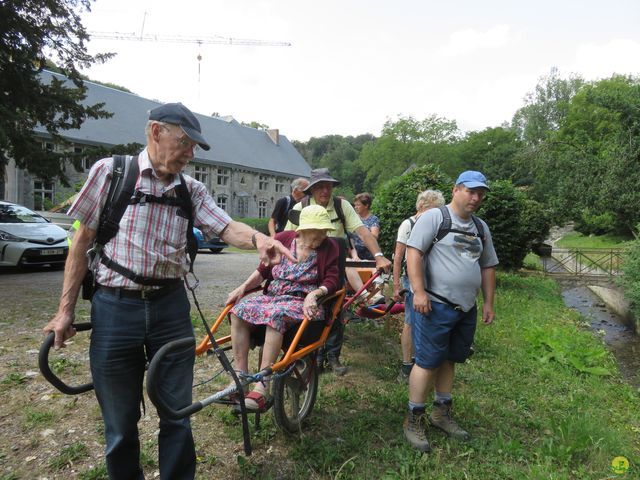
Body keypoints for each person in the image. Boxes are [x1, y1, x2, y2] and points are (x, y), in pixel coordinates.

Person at [42, 102, 294, 480]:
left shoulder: (191, 190)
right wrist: (64, 311)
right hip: (114, 308)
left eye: (195, 147)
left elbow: (226, 228)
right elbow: (82, 242)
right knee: (120, 425)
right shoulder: (111, 173)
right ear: (157, 132)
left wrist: (259, 237)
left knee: (178, 415)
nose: (191, 154)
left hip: (170, 310)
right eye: (187, 143)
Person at [403, 171, 498, 453]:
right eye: (471, 191)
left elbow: (488, 266)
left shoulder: (480, 227)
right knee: (427, 362)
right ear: (456, 189)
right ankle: (413, 419)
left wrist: (489, 303)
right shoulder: (435, 218)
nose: (476, 197)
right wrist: (419, 292)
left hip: (465, 307)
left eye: (480, 193)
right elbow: (413, 253)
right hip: (434, 304)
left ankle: (441, 413)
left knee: (450, 360)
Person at [226, 205, 340, 410]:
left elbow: (333, 280)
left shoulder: (329, 247)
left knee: (275, 316)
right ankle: (240, 378)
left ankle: (262, 387)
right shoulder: (284, 238)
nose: (323, 235)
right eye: (318, 231)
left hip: (304, 300)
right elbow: (263, 270)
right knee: (238, 311)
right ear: (303, 229)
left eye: (325, 231)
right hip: (274, 296)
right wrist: (242, 287)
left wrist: (315, 294)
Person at [285, 168, 392, 375]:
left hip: (333, 264)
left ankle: (332, 356)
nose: (325, 190)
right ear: (312, 189)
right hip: (307, 266)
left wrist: (378, 256)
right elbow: (288, 237)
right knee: (303, 307)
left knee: (335, 310)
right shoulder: (301, 207)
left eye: (328, 186)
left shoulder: (342, 206)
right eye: (320, 187)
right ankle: (310, 355)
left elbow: (362, 232)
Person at [392, 189, 445, 383]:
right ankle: (407, 365)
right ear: (422, 207)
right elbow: (398, 257)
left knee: (431, 319)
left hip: (436, 280)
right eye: (434, 209)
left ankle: (425, 361)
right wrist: (396, 285)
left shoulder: (439, 225)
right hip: (412, 280)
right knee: (410, 320)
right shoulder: (408, 224)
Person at [351, 192, 380, 260]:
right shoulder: (353, 218)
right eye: (355, 205)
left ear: (366, 205)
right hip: (354, 255)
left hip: (369, 255)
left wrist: (362, 232)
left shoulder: (373, 219)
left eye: (358, 205)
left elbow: (374, 236)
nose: (355, 207)